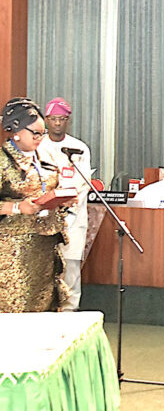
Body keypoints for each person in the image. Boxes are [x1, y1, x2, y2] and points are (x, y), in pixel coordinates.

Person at [0, 97, 75, 312]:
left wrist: (62, 200)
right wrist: (17, 208)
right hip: (13, 251)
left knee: (44, 306)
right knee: (17, 306)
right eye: (35, 133)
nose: (39, 138)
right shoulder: (3, 160)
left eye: (42, 133)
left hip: (45, 246)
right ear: (15, 131)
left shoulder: (45, 157)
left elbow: (50, 188)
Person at [36, 97, 92, 311]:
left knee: (71, 268)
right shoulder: (38, 146)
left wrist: (66, 206)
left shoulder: (79, 148)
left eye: (62, 119)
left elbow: (83, 184)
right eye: (53, 119)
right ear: (46, 120)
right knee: (44, 267)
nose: (57, 123)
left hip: (72, 218)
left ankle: (70, 311)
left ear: (68, 120)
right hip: (43, 217)